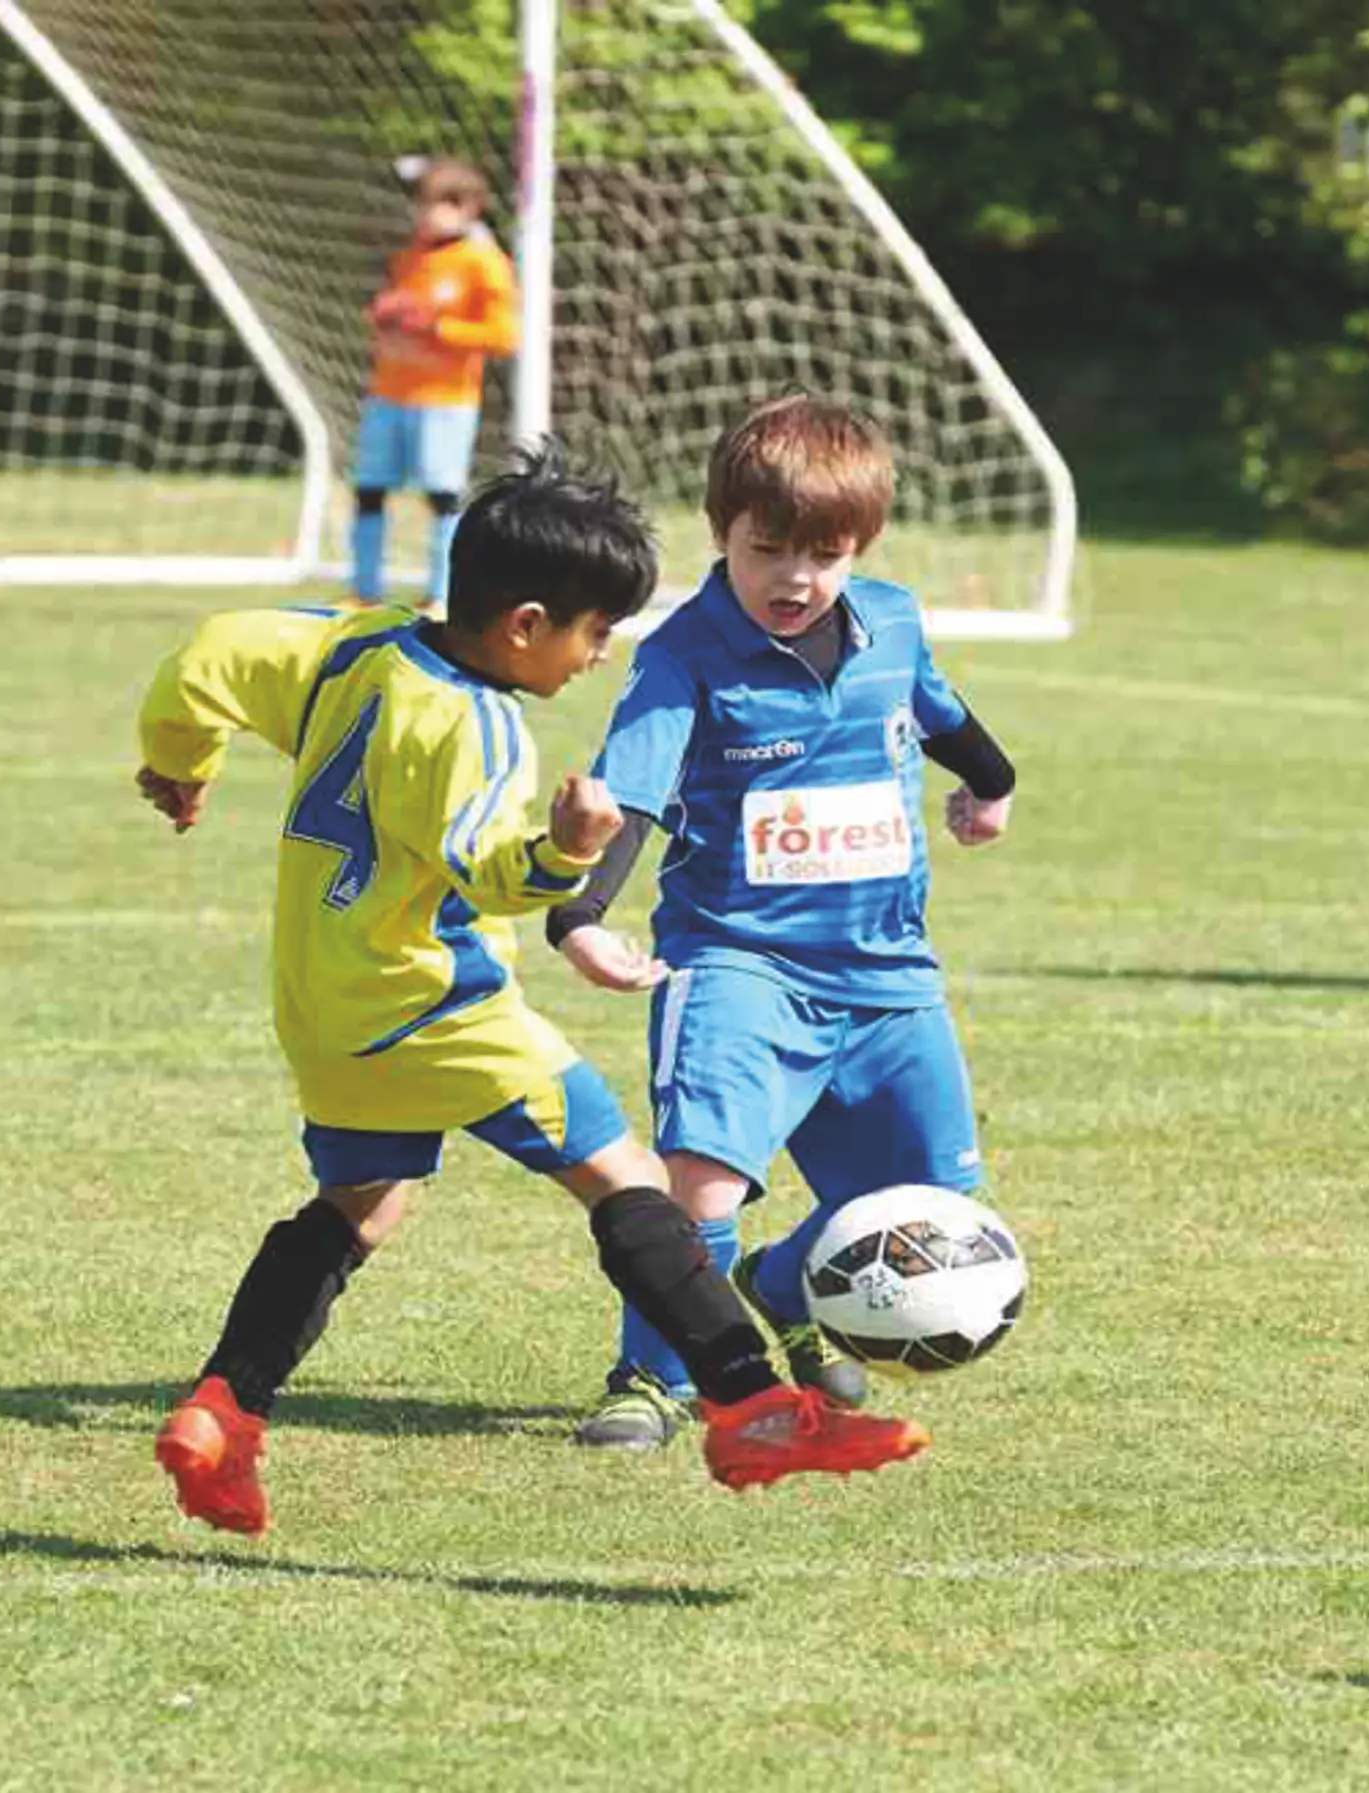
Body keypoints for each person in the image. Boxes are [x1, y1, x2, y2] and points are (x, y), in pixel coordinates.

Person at [135, 448, 930, 1534]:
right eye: (591, 632)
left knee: (364, 1204)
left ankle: (224, 1412)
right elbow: (486, 867)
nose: (599, 656)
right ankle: (752, 1404)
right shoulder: (475, 725)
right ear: (520, 623)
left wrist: (178, 758)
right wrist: (563, 851)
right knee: (625, 1174)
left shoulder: (358, 639)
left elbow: (213, 653)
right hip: (432, 1003)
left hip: (320, 1001)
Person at [547, 396, 1018, 1450]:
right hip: (736, 963)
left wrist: (990, 783)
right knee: (702, 1178)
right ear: (723, 533)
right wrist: (579, 917)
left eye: (824, 553)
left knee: (941, 1197)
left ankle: (784, 1278)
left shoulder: (891, 620)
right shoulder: (682, 656)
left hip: (888, 970)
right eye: (768, 550)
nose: (795, 578)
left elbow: (936, 710)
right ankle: (653, 1376)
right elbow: (634, 794)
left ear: (861, 549)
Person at [349, 155, 521, 609]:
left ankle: (442, 594)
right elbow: (394, 317)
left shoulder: (484, 263)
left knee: (441, 496)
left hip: (445, 400)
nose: (423, 214)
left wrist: (438, 330)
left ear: (468, 208)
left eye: (435, 205)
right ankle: (363, 591)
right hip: (388, 392)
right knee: (369, 488)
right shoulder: (410, 257)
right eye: (420, 204)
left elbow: (504, 336)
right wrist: (385, 322)